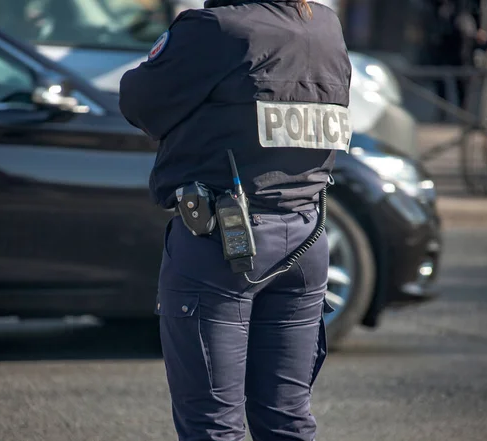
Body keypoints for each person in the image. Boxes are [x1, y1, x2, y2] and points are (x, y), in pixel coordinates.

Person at [119, 0, 352, 439]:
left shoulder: (217, 29)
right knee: (287, 420)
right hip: (306, 236)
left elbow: (138, 102)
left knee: (213, 427)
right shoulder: (324, 26)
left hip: (222, 245)